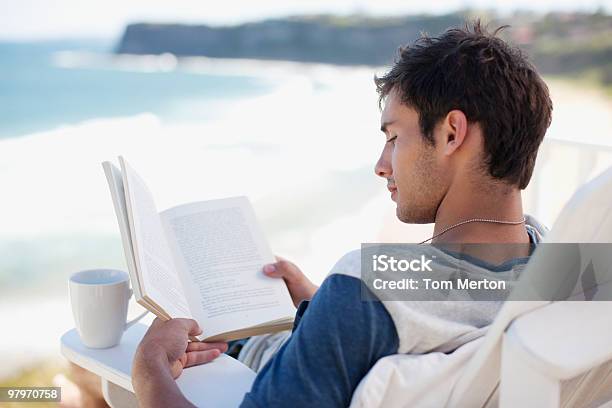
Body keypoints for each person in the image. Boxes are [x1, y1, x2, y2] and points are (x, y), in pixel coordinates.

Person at [131, 20, 553, 407]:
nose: (382, 165)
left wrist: (149, 371)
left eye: (393, 138)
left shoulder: (362, 289)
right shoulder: (570, 270)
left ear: (450, 133)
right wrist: (322, 301)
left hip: (249, 365)